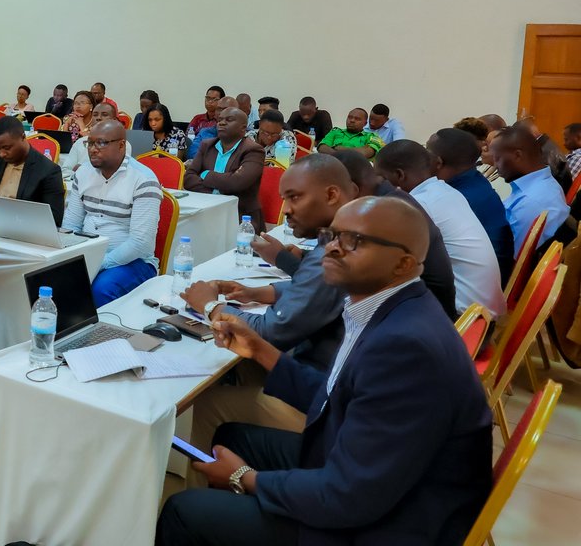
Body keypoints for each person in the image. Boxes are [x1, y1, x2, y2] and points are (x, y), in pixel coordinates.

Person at [158, 197, 493, 546]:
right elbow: (337, 395)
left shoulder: (407, 348)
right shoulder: (384, 307)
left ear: (403, 263)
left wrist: (246, 477)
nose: (332, 249)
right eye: (331, 236)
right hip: (364, 475)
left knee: (184, 510)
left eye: (352, 241)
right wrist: (258, 350)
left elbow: (350, 497)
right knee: (231, 436)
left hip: (386, 524)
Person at [181, 156, 359, 486]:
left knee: (209, 397)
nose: (285, 208)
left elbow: (270, 332)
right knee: (234, 371)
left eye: (294, 197)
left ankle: (203, 498)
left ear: (333, 195)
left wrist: (208, 306)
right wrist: (260, 292)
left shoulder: (334, 251)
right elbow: (315, 289)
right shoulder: (347, 239)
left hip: (327, 403)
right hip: (333, 383)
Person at [376, 140, 505, 318]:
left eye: (382, 178)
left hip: (464, 316)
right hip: (482, 307)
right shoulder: (445, 190)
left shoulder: (419, 204)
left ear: (399, 175)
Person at [330, 150, 458, 318]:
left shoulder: (386, 214)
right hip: (419, 309)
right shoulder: (391, 198)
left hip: (413, 319)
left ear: (352, 189)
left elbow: (343, 282)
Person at [62, 120, 162, 305]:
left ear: (121, 145)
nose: (92, 149)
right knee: (46, 278)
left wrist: (99, 263)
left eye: (101, 143)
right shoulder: (83, 173)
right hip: (88, 254)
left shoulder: (143, 179)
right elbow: (71, 225)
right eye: (90, 143)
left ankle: (102, 335)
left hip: (133, 261)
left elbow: (140, 243)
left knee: (100, 289)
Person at [426, 127, 514, 276]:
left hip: (477, 284)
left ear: (438, 162)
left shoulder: (455, 198)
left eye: (426, 154)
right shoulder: (476, 180)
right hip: (492, 275)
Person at [489, 125, 571, 251]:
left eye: (497, 159)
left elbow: (511, 256)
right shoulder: (542, 185)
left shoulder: (532, 202)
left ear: (517, 155)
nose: (495, 166)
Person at [183, 108, 265, 230]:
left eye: (229, 120)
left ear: (243, 128)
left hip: (240, 217)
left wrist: (206, 174)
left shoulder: (253, 150)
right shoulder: (207, 145)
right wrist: (216, 191)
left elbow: (237, 182)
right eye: (220, 120)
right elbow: (188, 179)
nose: (221, 123)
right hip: (205, 211)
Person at [0, 116, 65, 225]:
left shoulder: (47, 171)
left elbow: (54, 219)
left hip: (27, 232)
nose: (2, 154)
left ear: (23, 137)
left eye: (7, 148)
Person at [60, 101, 117, 179]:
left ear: (114, 120)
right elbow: (65, 171)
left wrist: (81, 169)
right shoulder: (80, 142)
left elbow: (113, 174)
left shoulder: (121, 145)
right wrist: (80, 174)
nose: (98, 118)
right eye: (95, 115)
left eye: (104, 115)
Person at [317, 108, 385, 159]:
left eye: (357, 119)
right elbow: (322, 147)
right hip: (333, 166)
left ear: (365, 123)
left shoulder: (371, 137)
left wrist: (338, 148)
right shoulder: (335, 132)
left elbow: (365, 153)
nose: (352, 120)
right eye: (350, 117)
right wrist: (358, 149)